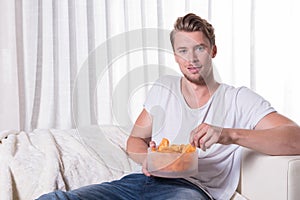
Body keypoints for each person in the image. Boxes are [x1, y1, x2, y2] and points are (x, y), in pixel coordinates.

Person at [37, 13, 300, 200]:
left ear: (213, 51)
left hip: (190, 190)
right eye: (183, 51)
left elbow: (295, 139)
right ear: (175, 56)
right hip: (139, 182)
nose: (192, 59)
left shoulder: (238, 99)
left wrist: (227, 134)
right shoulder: (163, 89)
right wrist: (148, 159)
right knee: (55, 198)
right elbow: (135, 140)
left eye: (200, 48)